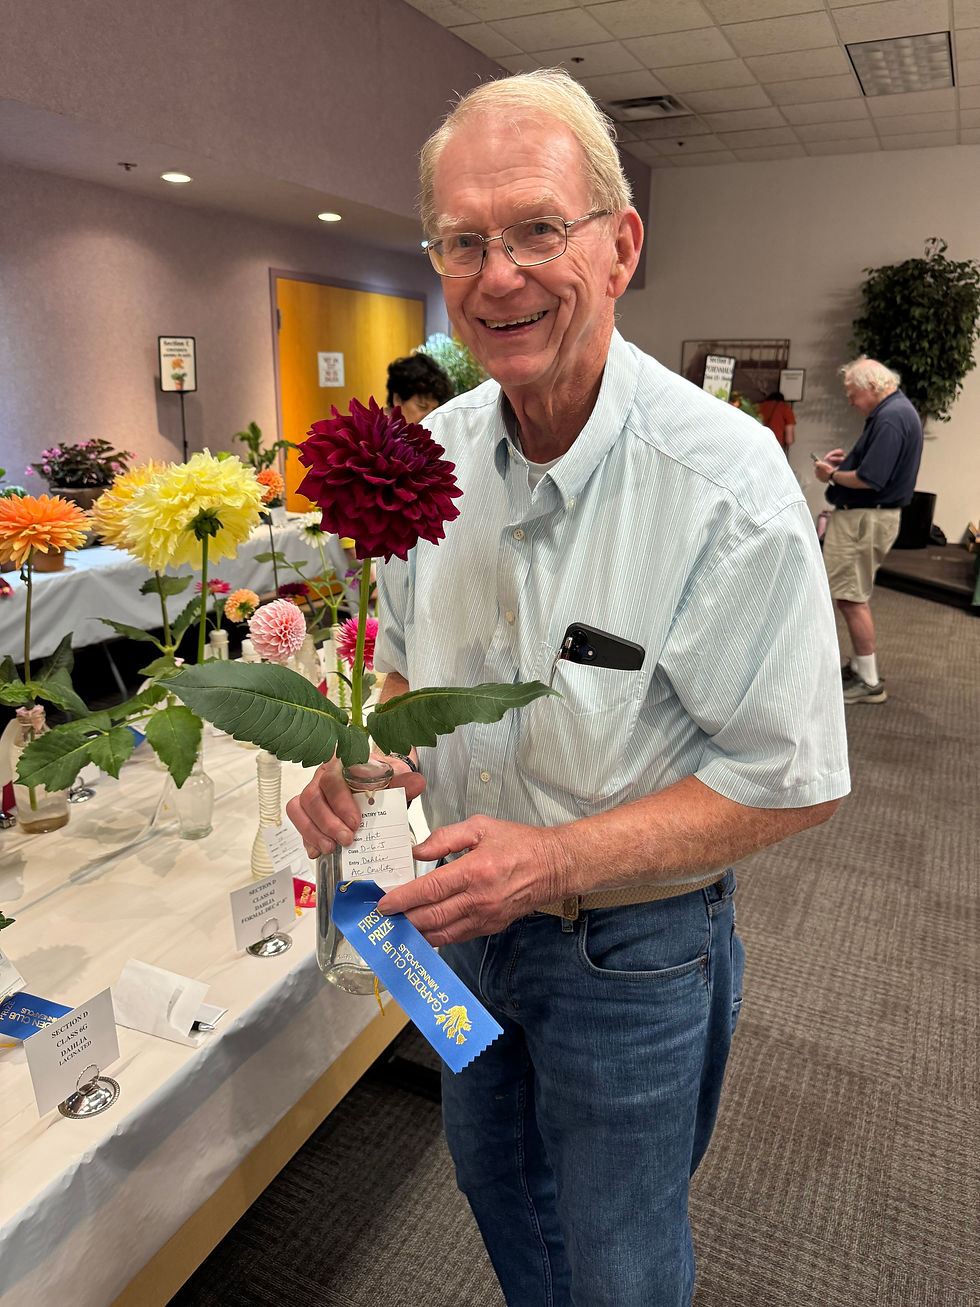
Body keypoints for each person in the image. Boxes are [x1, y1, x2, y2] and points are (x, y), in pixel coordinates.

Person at [288, 69, 849, 1307]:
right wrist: (363, 758)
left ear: (618, 244)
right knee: (498, 1198)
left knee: (616, 1256)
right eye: (463, 240)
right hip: (454, 919)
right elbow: (404, 666)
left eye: (538, 228)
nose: (499, 274)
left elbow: (793, 776)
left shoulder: (720, 483)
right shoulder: (433, 459)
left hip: (630, 949)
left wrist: (552, 864)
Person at [814, 357, 923, 705]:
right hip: (869, 517)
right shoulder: (896, 412)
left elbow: (869, 479)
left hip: (865, 519)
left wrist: (829, 475)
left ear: (872, 387)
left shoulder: (891, 418)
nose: (850, 401)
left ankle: (869, 681)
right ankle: (862, 669)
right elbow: (875, 469)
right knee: (851, 595)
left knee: (851, 597)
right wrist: (846, 462)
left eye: (852, 394)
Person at [385, 352, 453, 425]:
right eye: (422, 407)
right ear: (398, 399)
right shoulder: (375, 432)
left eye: (434, 410)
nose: (429, 417)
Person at [758, 390, 796, 455]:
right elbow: (789, 440)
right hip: (775, 447)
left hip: (757, 445)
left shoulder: (758, 407)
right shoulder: (785, 408)